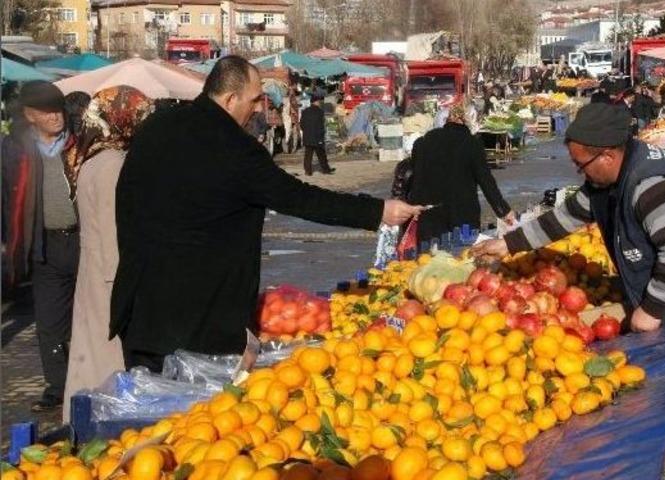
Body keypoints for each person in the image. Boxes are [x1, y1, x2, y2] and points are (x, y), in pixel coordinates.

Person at [473, 103, 665, 480]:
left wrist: (650, 310)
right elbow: (569, 216)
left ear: (607, 154)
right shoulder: (608, 179)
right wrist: (509, 245)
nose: (578, 171)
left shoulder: (651, 184)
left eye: (581, 163)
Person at [110, 56, 422, 372]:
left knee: (145, 413)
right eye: (256, 99)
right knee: (193, 417)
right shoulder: (235, 148)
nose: (261, 107)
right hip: (197, 326)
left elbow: (126, 203)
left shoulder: (156, 128)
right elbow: (299, 198)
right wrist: (377, 210)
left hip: (139, 313)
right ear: (230, 99)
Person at [62, 86, 153, 422]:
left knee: (89, 349)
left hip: (93, 269)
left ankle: (80, 417)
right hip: (109, 275)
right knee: (106, 356)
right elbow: (114, 230)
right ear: (121, 120)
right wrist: (126, 286)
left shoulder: (93, 157)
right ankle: (100, 423)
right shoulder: (114, 164)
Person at [2, 81, 79, 412]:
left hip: (81, 240)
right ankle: (57, 385)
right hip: (43, 245)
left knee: (86, 316)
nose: (55, 116)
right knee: (49, 321)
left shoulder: (80, 142)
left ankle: (86, 376)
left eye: (57, 109)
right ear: (30, 115)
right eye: (46, 111)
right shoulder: (15, 151)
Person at [407, 102, 515, 246]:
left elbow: (416, 179)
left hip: (429, 217)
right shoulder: (472, 143)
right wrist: (503, 211)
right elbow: (486, 181)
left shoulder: (422, 143)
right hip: (463, 218)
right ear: (466, 121)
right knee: (461, 262)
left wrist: (411, 209)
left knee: (427, 260)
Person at [300, 94, 334, 175]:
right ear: (316, 102)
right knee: (321, 155)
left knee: (308, 155)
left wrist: (306, 132)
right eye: (319, 101)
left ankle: (308, 171)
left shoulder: (305, 111)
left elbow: (302, 124)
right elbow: (321, 126)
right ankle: (326, 170)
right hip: (317, 137)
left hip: (307, 136)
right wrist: (322, 135)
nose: (320, 102)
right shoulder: (320, 112)